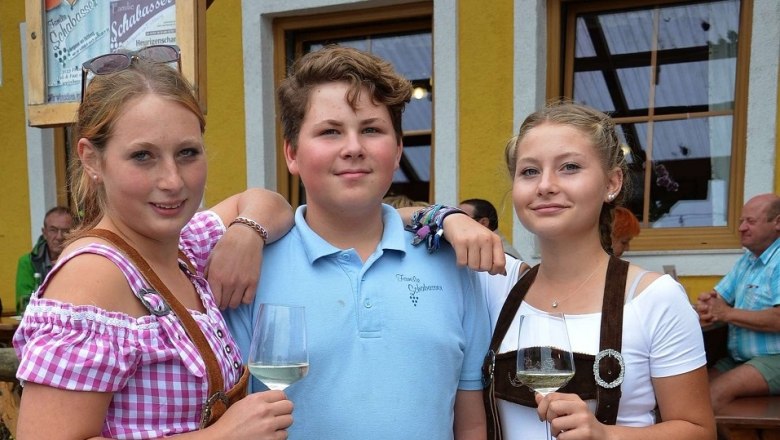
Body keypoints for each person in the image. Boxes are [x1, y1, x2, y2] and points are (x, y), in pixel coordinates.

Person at [13, 47, 296, 439]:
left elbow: (272, 204)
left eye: (187, 153)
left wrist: (245, 233)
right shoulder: (94, 277)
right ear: (92, 160)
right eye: (143, 156)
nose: (173, 181)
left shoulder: (182, 247)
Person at [224, 45, 493, 440]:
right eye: (330, 131)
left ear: (398, 150)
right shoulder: (249, 268)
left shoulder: (450, 264)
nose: (353, 147)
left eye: (371, 129)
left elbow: (469, 420)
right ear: (292, 153)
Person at [481, 101, 715, 439]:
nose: (545, 185)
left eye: (570, 167)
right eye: (529, 171)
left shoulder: (654, 297)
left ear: (612, 183)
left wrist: (607, 436)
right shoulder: (496, 287)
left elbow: (699, 431)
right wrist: (448, 219)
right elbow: (384, 221)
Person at [696, 193, 780, 413]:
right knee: (690, 390)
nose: (742, 228)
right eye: (741, 221)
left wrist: (724, 313)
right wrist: (707, 305)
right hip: (740, 359)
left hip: (774, 358)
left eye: (750, 222)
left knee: (714, 395)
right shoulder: (747, 261)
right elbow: (717, 298)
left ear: (778, 223)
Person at [15, 206, 75, 314]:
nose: (59, 236)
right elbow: (25, 305)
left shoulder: (81, 261)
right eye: (53, 230)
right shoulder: (28, 262)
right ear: (44, 233)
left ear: (74, 233)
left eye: (66, 231)